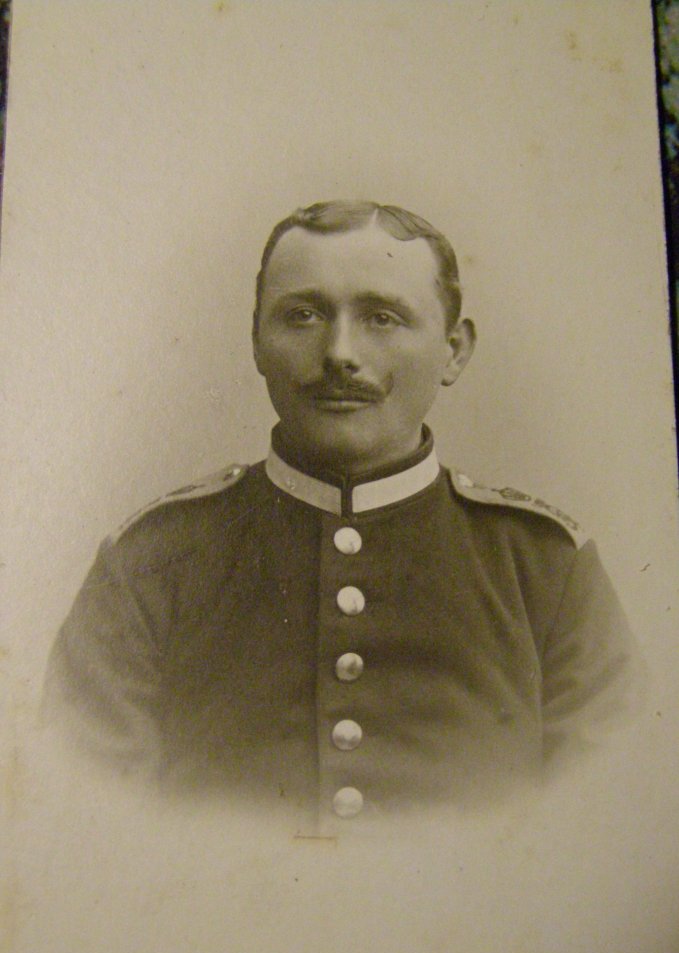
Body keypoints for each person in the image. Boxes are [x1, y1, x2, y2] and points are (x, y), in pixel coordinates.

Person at [44, 200, 639, 823]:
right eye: (302, 315)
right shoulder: (149, 565)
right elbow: (88, 829)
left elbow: (605, 825)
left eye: (382, 318)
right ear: (256, 340)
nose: (339, 353)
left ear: (454, 350)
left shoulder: (547, 568)